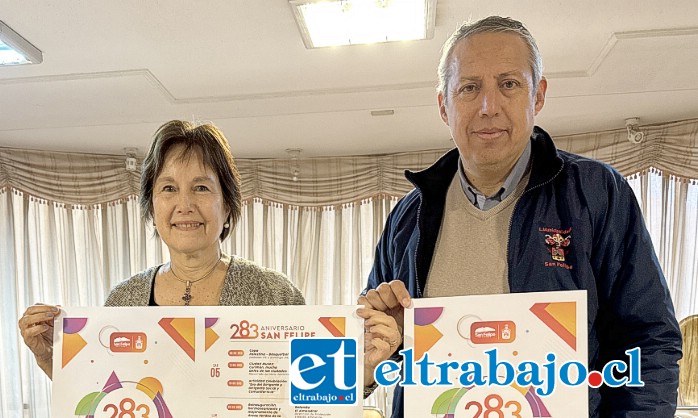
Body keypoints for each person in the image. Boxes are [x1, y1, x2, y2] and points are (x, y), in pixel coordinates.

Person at [360, 16, 683, 418]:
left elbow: (649, 340)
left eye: (508, 84)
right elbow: (375, 352)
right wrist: (376, 360)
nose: (488, 106)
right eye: (469, 87)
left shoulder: (596, 193)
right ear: (444, 105)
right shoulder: (409, 217)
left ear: (538, 95)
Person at [18, 120, 401, 391]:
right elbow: (104, 394)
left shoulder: (274, 293)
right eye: (168, 188)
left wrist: (365, 369)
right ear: (152, 205)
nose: (184, 205)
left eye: (201, 187)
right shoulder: (122, 300)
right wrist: (51, 359)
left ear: (227, 204)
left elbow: (313, 392)